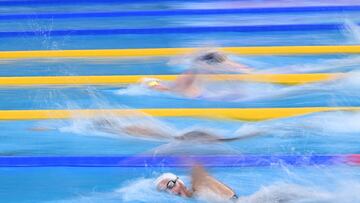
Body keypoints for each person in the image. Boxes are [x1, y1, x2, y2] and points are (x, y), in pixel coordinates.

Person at [141, 50, 253, 99]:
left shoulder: (190, 73)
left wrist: (151, 83)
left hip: (198, 98)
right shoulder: (208, 70)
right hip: (208, 95)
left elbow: (169, 90)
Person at [155, 165, 238, 201]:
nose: (172, 191)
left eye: (171, 185)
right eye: (166, 190)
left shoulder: (197, 187)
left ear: (179, 182)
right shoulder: (192, 197)